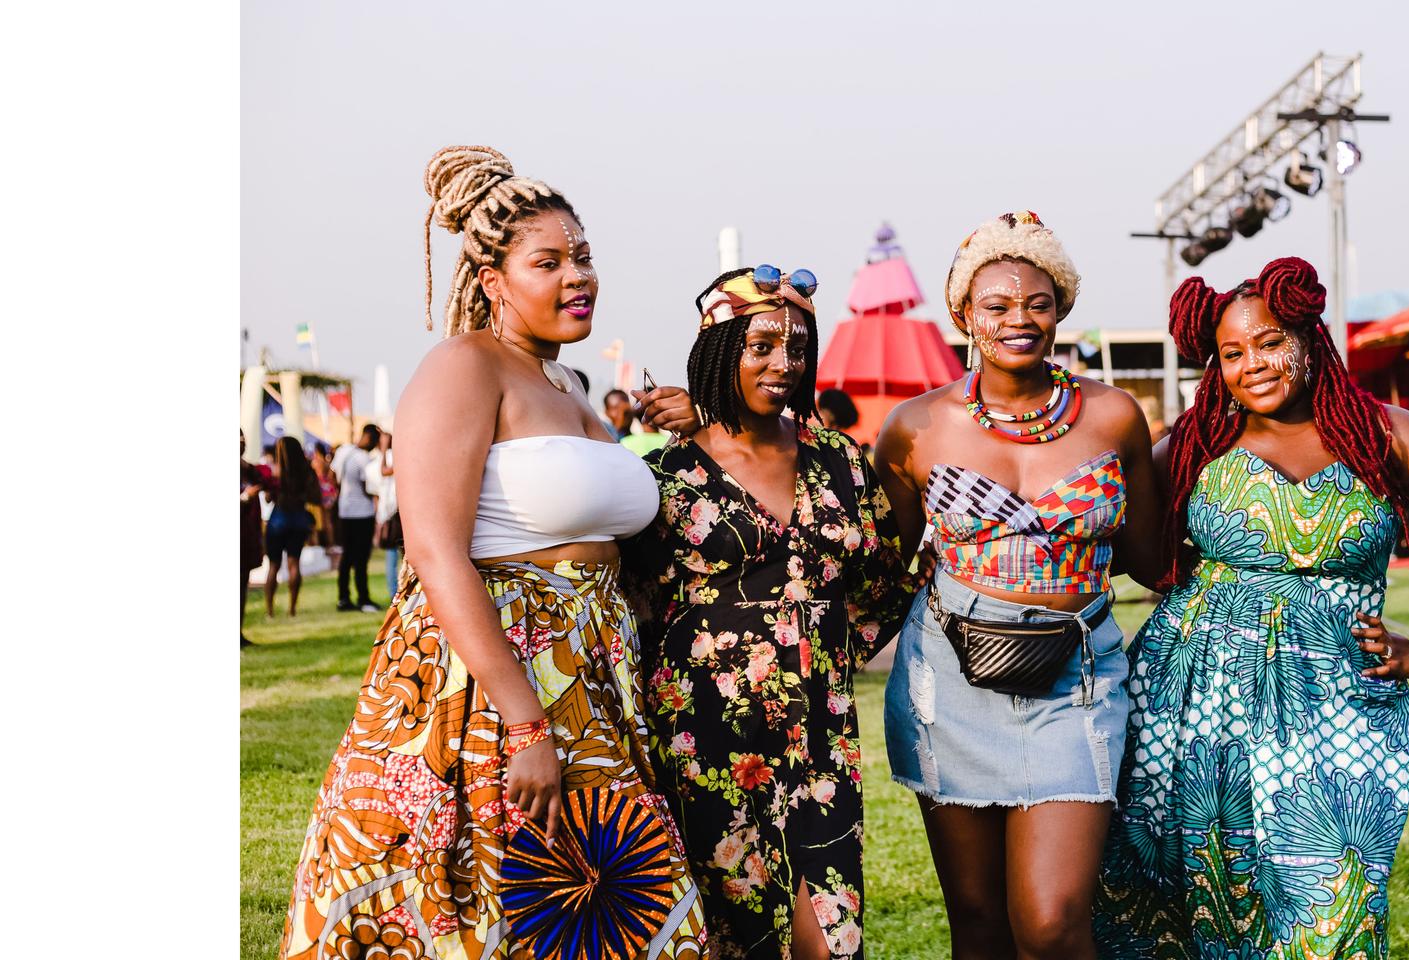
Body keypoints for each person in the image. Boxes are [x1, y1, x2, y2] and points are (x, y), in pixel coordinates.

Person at [280, 145, 707, 960]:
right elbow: (435, 551)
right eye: (547, 261)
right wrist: (522, 722)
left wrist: (695, 430)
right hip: (488, 685)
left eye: (583, 255)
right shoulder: (463, 368)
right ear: (491, 281)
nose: (577, 276)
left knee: (603, 908)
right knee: (486, 909)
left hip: (590, 678)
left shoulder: (571, 387)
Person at [1093, 258, 1409, 956]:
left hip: (1335, 700)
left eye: (1268, 342)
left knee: (1334, 889)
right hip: (1190, 695)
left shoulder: (1385, 435)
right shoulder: (1199, 444)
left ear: (1307, 338)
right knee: (1187, 888)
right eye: (1232, 353)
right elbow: (1137, 551)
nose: (1252, 364)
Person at [873, 212, 1161, 960]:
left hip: (1077, 681)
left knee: (1053, 920)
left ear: (1061, 307)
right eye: (996, 306)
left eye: (1036, 302)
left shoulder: (1112, 416)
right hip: (951, 678)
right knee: (978, 922)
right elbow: (885, 559)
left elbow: (1151, 554)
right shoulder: (915, 427)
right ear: (964, 314)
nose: (1018, 320)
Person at [627, 265, 916, 960]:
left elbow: (881, 579)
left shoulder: (839, 459)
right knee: (738, 939)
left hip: (820, 735)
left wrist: (824, 649)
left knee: (830, 936)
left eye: (797, 348)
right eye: (760, 346)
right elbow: (634, 601)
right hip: (705, 737)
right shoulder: (670, 473)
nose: (783, 364)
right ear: (721, 350)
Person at [261, 435, 318, 618]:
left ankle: (269, 610)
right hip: (299, 519)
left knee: (273, 566)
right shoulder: (306, 470)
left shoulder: (275, 472)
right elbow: (315, 497)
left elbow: (269, 498)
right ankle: (292, 609)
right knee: (294, 564)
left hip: (278, 519)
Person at [331, 424, 381, 611]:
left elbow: (333, 474)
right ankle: (364, 599)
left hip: (345, 510)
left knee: (347, 556)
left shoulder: (344, 451)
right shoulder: (364, 459)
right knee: (361, 558)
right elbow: (369, 486)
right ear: (369, 437)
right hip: (362, 513)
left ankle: (343, 597)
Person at [364, 430, 401, 603]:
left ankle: (399, 592)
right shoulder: (373, 466)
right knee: (393, 556)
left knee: (398, 557)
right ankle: (396, 593)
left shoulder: (395, 458)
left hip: (395, 513)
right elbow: (377, 491)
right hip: (391, 514)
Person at [242, 430, 265, 646]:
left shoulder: (247, 470)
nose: (242, 444)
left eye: (243, 440)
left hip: (247, 536)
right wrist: (243, 498)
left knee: (242, 585)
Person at [308, 442, 337, 550]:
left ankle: (318, 543)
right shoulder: (327, 462)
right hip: (329, 490)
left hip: (319, 491)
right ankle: (330, 543)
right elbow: (332, 478)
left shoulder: (314, 462)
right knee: (328, 520)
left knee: (317, 519)